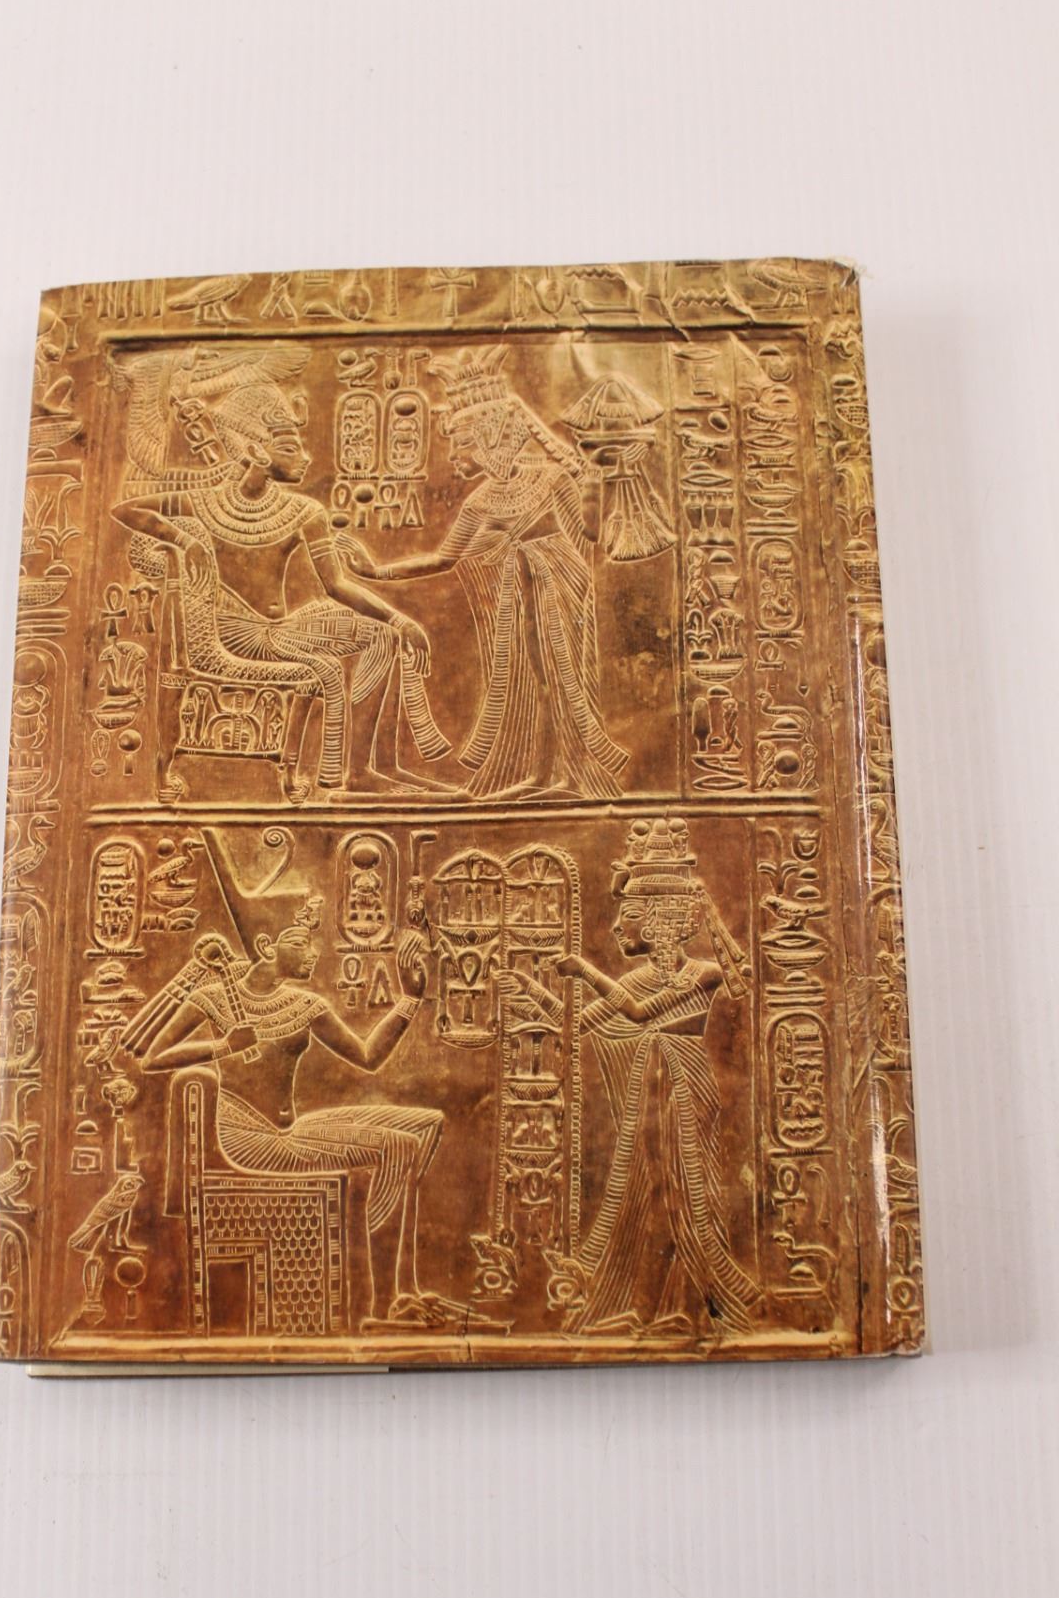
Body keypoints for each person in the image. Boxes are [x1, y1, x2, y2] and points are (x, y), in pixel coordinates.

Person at [112, 345, 450, 797]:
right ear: (255, 449)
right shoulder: (204, 503)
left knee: (383, 636)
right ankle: (340, 771)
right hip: (229, 635)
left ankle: (365, 769)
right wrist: (183, 539)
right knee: (325, 666)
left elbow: (335, 584)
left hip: (278, 629)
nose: (305, 457)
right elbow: (125, 509)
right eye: (289, 446)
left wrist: (398, 618)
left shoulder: (304, 511)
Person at [127, 902, 444, 1329]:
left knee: (424, 1125)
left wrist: (409, 1000)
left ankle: (408, 1289)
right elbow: (152, 1058)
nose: (313, 952)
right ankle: (384, 1302)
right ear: (265, 946)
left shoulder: (305, 1004)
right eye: (300, 942)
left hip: (285, 1131)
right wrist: (223, 1046)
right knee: (396, 1146)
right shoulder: (213, 999)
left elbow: (368, 1057)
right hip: (243, 1138)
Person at [505, 818, 761, 1338]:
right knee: (651, 1198)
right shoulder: (638, 977)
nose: (618, 928)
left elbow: (641, 1013)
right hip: (651, 1089)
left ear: (661, 921)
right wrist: (530, 990)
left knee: (684, 1194)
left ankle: (700, 1306)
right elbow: (577, 1025)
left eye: (629, 917)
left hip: (684, 1089)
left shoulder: (702, 974)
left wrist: (586, 971)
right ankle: (649, 1309)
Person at [338, 346, 629, 800]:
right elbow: (443, 559)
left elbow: (591, 534)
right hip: (526, 582)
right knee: (539, 678)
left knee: (564, 674)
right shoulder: (481, 500)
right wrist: (376, 571)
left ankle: (575, 777)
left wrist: (596, 482)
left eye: (463, 442)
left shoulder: (551, 477)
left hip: (561, 578)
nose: (454, 455)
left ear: (491, 437)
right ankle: (543, 774)